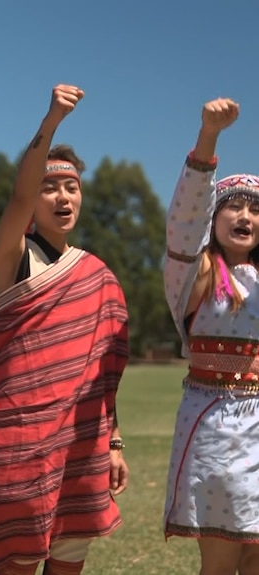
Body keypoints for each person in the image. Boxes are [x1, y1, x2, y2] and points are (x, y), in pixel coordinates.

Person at [0, 85, 129, 575]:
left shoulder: (97, 275)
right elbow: (20, 193)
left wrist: (114, 442)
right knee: (17, 564)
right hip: (21, 446)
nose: (62, 196)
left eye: (71, 187)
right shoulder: (12, 254)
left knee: (68, 561)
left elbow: (103, 375)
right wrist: (51, 122)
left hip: (83, 446)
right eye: (50, 187)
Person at [163, 98, 259, 575]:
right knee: (222, 560)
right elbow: (184, 224)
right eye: (233, 206)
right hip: (215, 426)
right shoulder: (195, 274)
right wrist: (208, 138)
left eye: (255, 209)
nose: (245, 215)